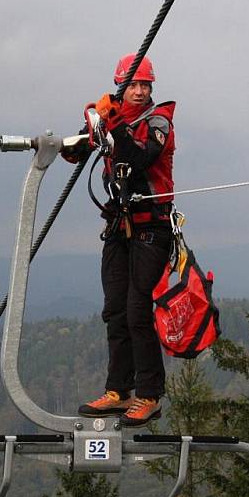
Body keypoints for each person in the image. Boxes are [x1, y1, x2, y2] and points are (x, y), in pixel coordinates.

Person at [76, 53, 176, 427]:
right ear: (122, 86)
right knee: (115, 309)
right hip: (120, 224)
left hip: (153, 227)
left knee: (138, 311)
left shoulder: (159, 122)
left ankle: (149, 395)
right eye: (132, 84)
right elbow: (78, 153)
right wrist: (89, 125)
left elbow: (139, 158)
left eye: (144, 85)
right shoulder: (111, 121)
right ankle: (119, 391)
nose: (138, 90)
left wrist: (112, 122)